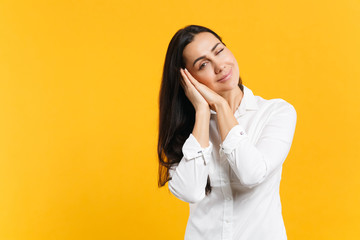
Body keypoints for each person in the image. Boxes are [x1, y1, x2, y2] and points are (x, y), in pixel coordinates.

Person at [157, 25, 297, 240]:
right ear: (188, 80)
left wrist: (221, 107)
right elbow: (191, 192)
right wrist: (202, 112)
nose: (220, 66)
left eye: (219, 50)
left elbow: (252, 173)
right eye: (203, 64)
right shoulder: (186, 129)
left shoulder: (276, 113)